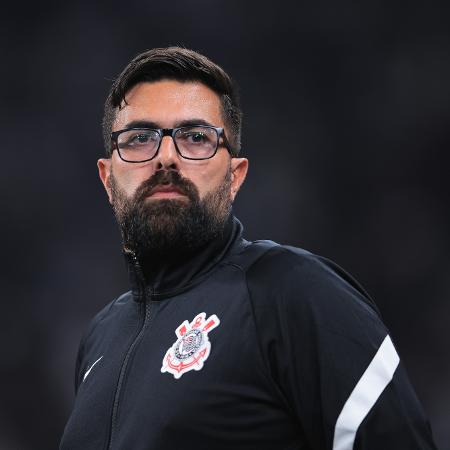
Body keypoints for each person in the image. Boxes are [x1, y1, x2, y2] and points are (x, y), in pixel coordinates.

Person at [60, 47, 437, 450]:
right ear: (107, 179)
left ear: (235, 176)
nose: (166, 157)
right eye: (138, 139)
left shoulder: (295, 293)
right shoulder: (100, 338)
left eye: (196, 137)